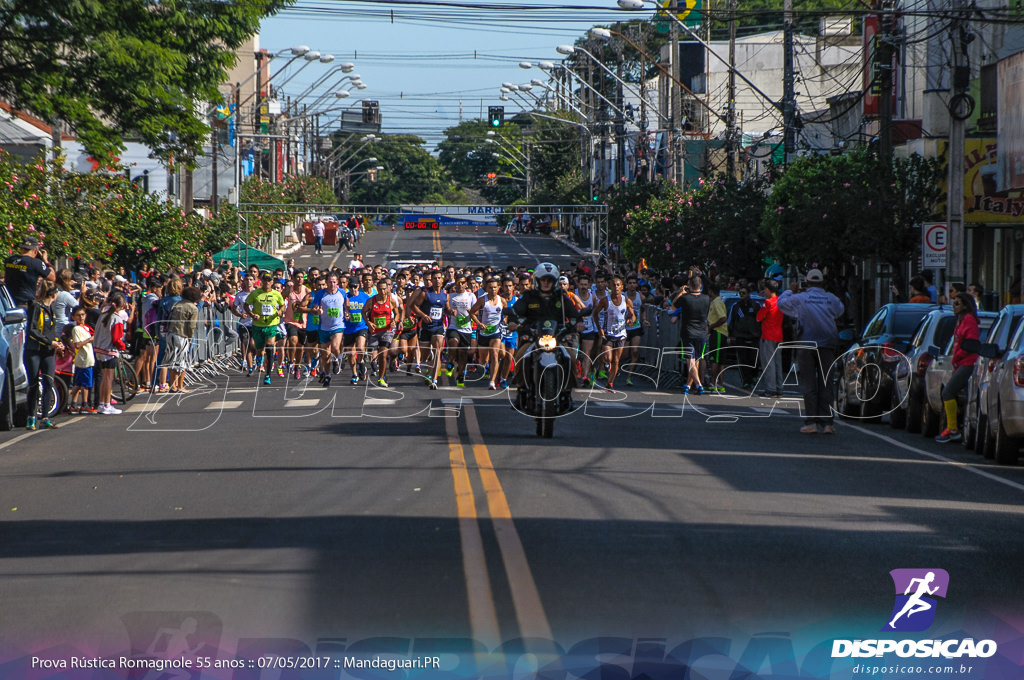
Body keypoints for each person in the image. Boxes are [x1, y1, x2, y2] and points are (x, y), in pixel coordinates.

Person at [777, 268, 844, 434]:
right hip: (827, 344)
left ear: (806, 283)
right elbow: (839, 310)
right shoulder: (830, 298)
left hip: (806, 344)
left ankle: (811, 422)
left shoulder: (801, 298)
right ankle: (828, 423)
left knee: (809, 384)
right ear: (822, 283)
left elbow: (781, 303)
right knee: (826, 383)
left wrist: (790, 290)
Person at [507, 262, 583, 386]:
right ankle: (521, 385)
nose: (546, 283)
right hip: (534, 336)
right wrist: (512, 321)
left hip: (557, 336)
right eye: (543, 280)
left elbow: (573, 313)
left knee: (571, 358)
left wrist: (578, 322)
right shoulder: (529, 296)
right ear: (537, 280)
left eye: (550, 280)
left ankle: (569, 387)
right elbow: (516, 310)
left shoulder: (562, 298)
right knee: (520, 356)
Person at [935, 292, 980, 443]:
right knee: (959, 396)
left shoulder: (969, 320)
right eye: (953, 303)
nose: (954, 307)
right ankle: (954, 427)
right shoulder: (960, 321)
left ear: (966, 306)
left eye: (957, 303)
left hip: (968, 363)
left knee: (948, 392)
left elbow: (970, 343)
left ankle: (953, 429)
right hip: (960, 362)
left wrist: (958, 356)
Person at [24, 280, 64, 429]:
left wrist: (57, 342)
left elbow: (51, 331)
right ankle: (30, 417)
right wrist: (49, 342)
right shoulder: (36, 306)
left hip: (48, 352)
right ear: (54, 294)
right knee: (34, 384)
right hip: (34, 351)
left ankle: (45, 417)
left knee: (48, 382)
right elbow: (32, 330)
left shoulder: (51, 309)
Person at [592, 275, 636, 391]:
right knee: (607, 357)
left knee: (616, 360)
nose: (616, 287)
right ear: (610, 287)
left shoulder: (626, 300)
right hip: (608, 333)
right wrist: (599, 328)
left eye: (618, 285)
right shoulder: (605, 300)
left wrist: (631, 320)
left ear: (622, 287)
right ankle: (606, 364)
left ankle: (610, 383)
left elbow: (633, 314)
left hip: (621, 334)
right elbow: (595, 313)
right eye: (614, 285)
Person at [671, 275, 711, 395]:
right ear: (700, 286)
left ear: (690, 285)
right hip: (702, 332)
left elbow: (673, 305)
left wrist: (681, 293)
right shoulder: (707, 298)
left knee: (690, 361)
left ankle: (698, 385)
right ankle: (688, 385)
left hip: (688, 332)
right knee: (696, 360)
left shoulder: (685, 298)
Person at [247, 273, 286, 386]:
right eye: (265, 280)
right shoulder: (255, 294)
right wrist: (252, 314)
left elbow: (282, 305)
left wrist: (280, 311)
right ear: (261, 281)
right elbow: (246, 305)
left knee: (269, 347)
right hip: (258, 325)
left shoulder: (276, 294)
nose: (267, 282)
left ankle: (268, 375)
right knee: (259, 350)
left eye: (269, 280)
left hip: (271, 325)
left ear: (272, 282)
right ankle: (259, 359)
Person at [93, 291, 129, 415]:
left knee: (104, 378)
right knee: (109, 378)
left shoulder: (102, 315)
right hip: (109, 350)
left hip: (99, 349)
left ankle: (102, 404)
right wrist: (123, 346)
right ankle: (107, 404)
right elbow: (116, 339)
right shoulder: (116, 318)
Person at [165, 287, 202, 393]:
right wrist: (190, 338)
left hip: (171, 333)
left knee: (172, 361)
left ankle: (173, 385)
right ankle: (180, 386)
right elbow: (191, 326)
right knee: (182, 362)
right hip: (182, 335)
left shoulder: (176, 304)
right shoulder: (193, 308)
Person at [4, 234, 55, 308]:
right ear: (36, 250)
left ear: (22, 249)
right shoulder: (36, 263)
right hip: (26, 304)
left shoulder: (10, 260)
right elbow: (52, 277)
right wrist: (46, 260)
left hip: (7, 303)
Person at [728, 286, 762, 390]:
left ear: (748, 293)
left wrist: (759, 333)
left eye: (744, 293)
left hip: (754, 337)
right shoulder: (736, 306)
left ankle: (754, 376)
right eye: (740, 293)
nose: (741, 295)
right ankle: (746, 381)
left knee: (754, 359)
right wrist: (730, 335)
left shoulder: (756, 306)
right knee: (743, 360)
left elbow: (760, 320)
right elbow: (731, 321)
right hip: (740, 337)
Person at [756, 280, 783, 397]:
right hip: (778, 335)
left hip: (768, 335)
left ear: (768, 289)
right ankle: (778, 387)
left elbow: (758, 317)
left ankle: (770, 388)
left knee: (768, 363)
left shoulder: (767, 302)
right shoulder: (781, 301)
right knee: (777, 363)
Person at [67, 305, 95, 415]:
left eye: (83, 315)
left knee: (79, 383)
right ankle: (84, 404)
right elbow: (77, 345)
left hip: (87, 357)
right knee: (85, 384)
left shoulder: (86, 328)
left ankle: (74, 404)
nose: (81, 317)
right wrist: (89, 339)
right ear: (73, 317)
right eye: (78, 315)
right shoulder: (76, 329)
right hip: (84, 359)